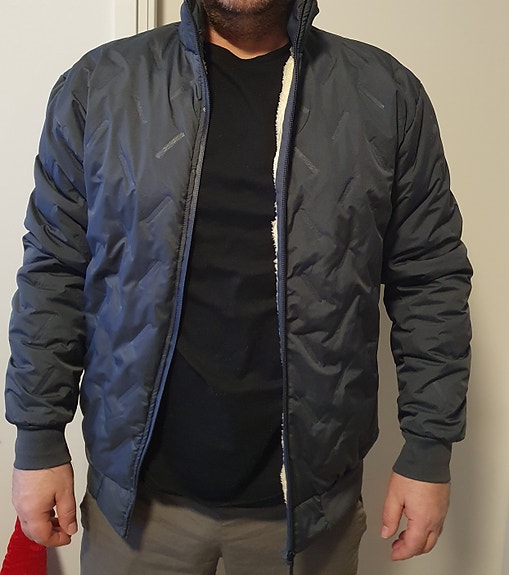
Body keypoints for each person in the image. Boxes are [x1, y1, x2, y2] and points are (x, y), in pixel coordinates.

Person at [5, 0, 472, 573]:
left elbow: (429, 279)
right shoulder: (98, 86)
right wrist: (38, 437)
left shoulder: (385, 94)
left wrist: (427, 449)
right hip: (137, 507)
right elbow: (54, 269)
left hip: (308, 511)